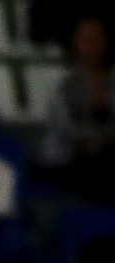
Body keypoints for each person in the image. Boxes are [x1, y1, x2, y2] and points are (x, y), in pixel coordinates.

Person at [41, 15, 115, 200]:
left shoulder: (111, 81)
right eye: (85, 40)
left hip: (106, 151)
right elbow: (63, 126)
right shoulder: (61, 82)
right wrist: (89, 140)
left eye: (96, 40)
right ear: (75, 43)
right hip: (68, 156)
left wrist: (103, 139)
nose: (90, 47)